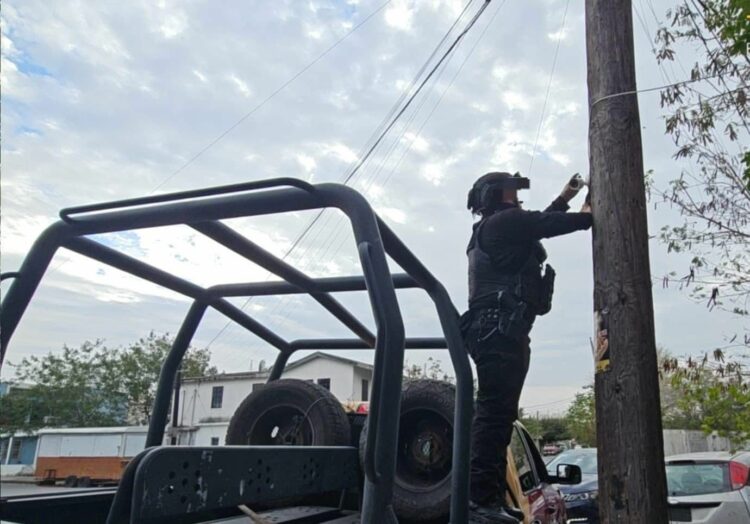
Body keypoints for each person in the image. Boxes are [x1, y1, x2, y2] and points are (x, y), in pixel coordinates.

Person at [462, 171, 592, 523]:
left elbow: (538, 223)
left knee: (500, 417)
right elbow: (547, 224)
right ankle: (479, 501)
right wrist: (588, 212)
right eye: (511, 190)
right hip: (498, 329)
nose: (517, 195)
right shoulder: (504, 222)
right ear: (496, 195)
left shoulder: (495, 227)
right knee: (493, 416)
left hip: (499, 329)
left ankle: (488, 498)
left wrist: (565, 198)